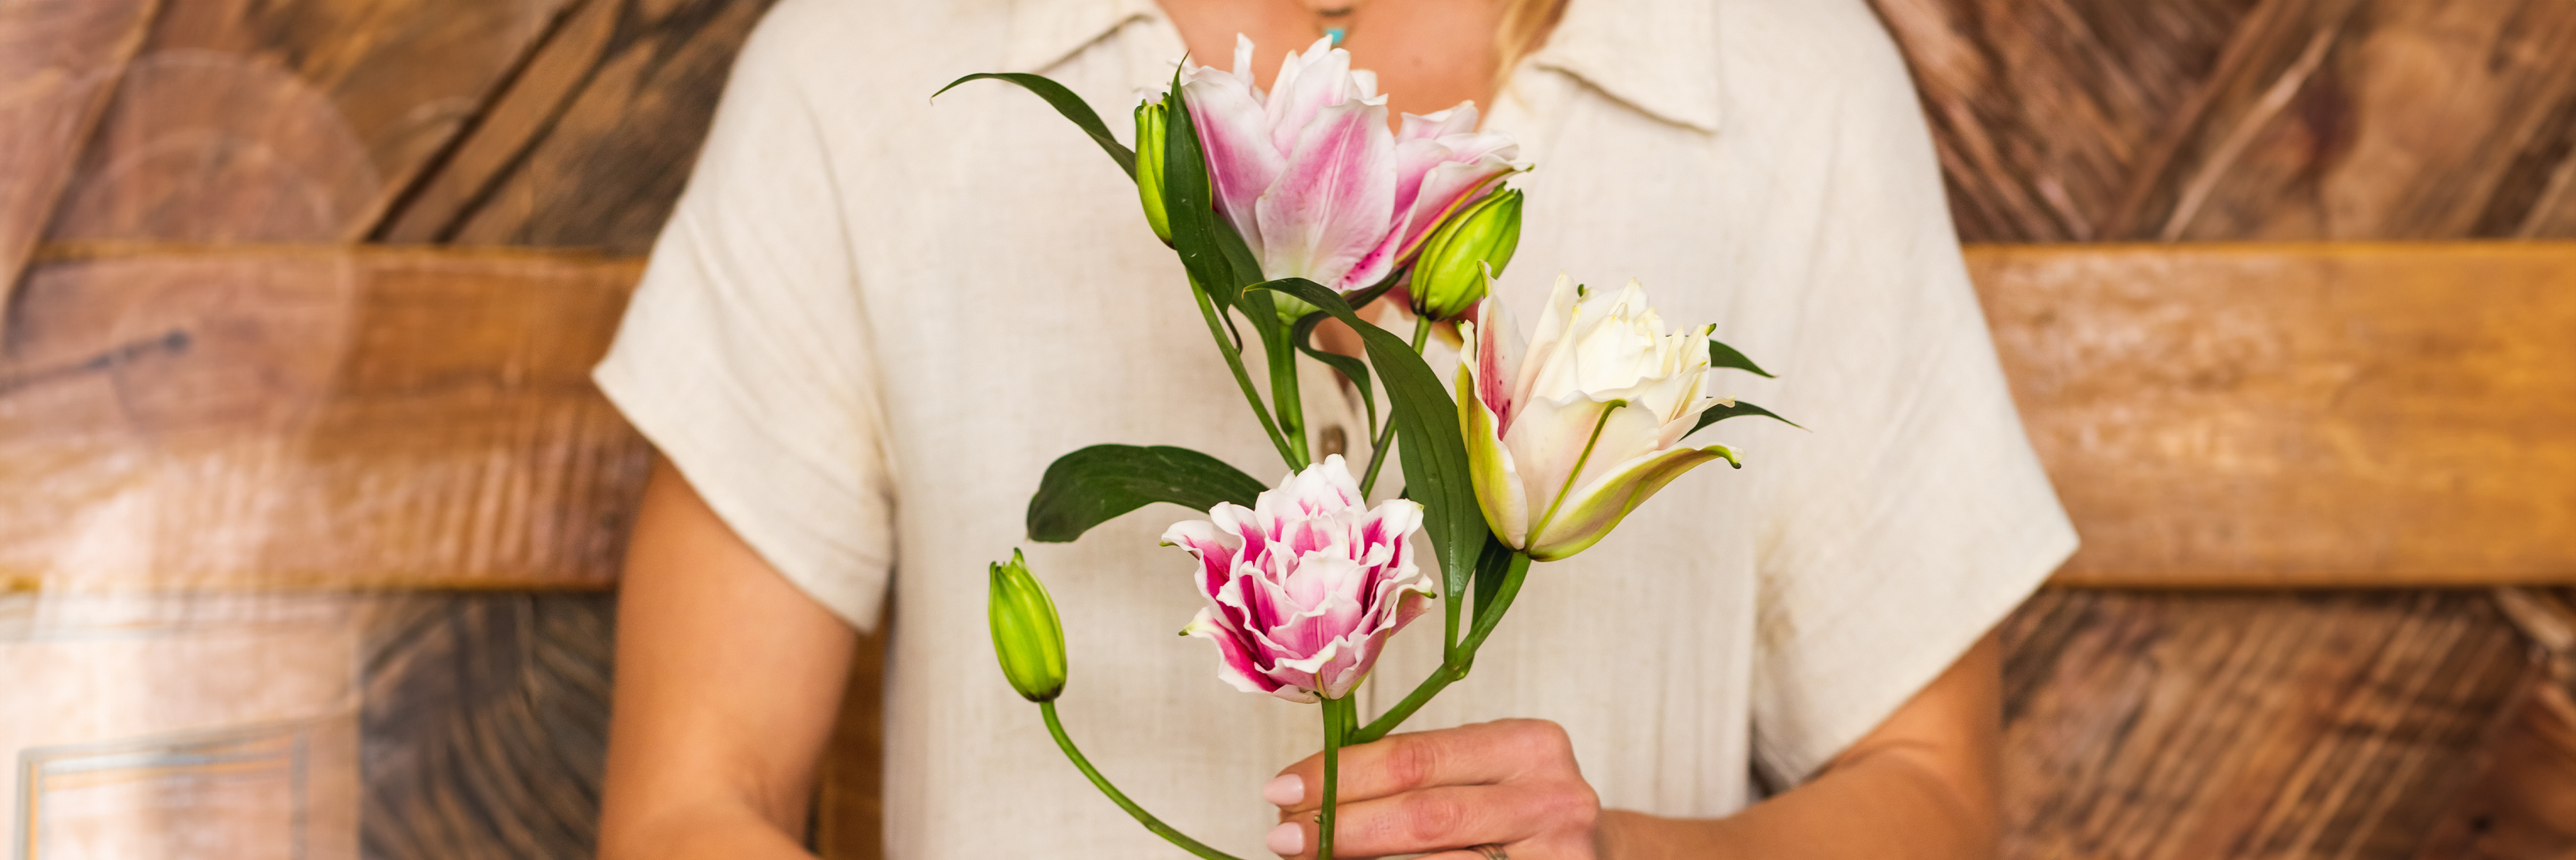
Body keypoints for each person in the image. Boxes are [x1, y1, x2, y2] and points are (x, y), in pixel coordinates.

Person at [591, 0, 2078, 857]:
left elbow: (1933, 789)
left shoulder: (1787, 77)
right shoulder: (869, 59)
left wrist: (1617, 855)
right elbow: (689, 805)